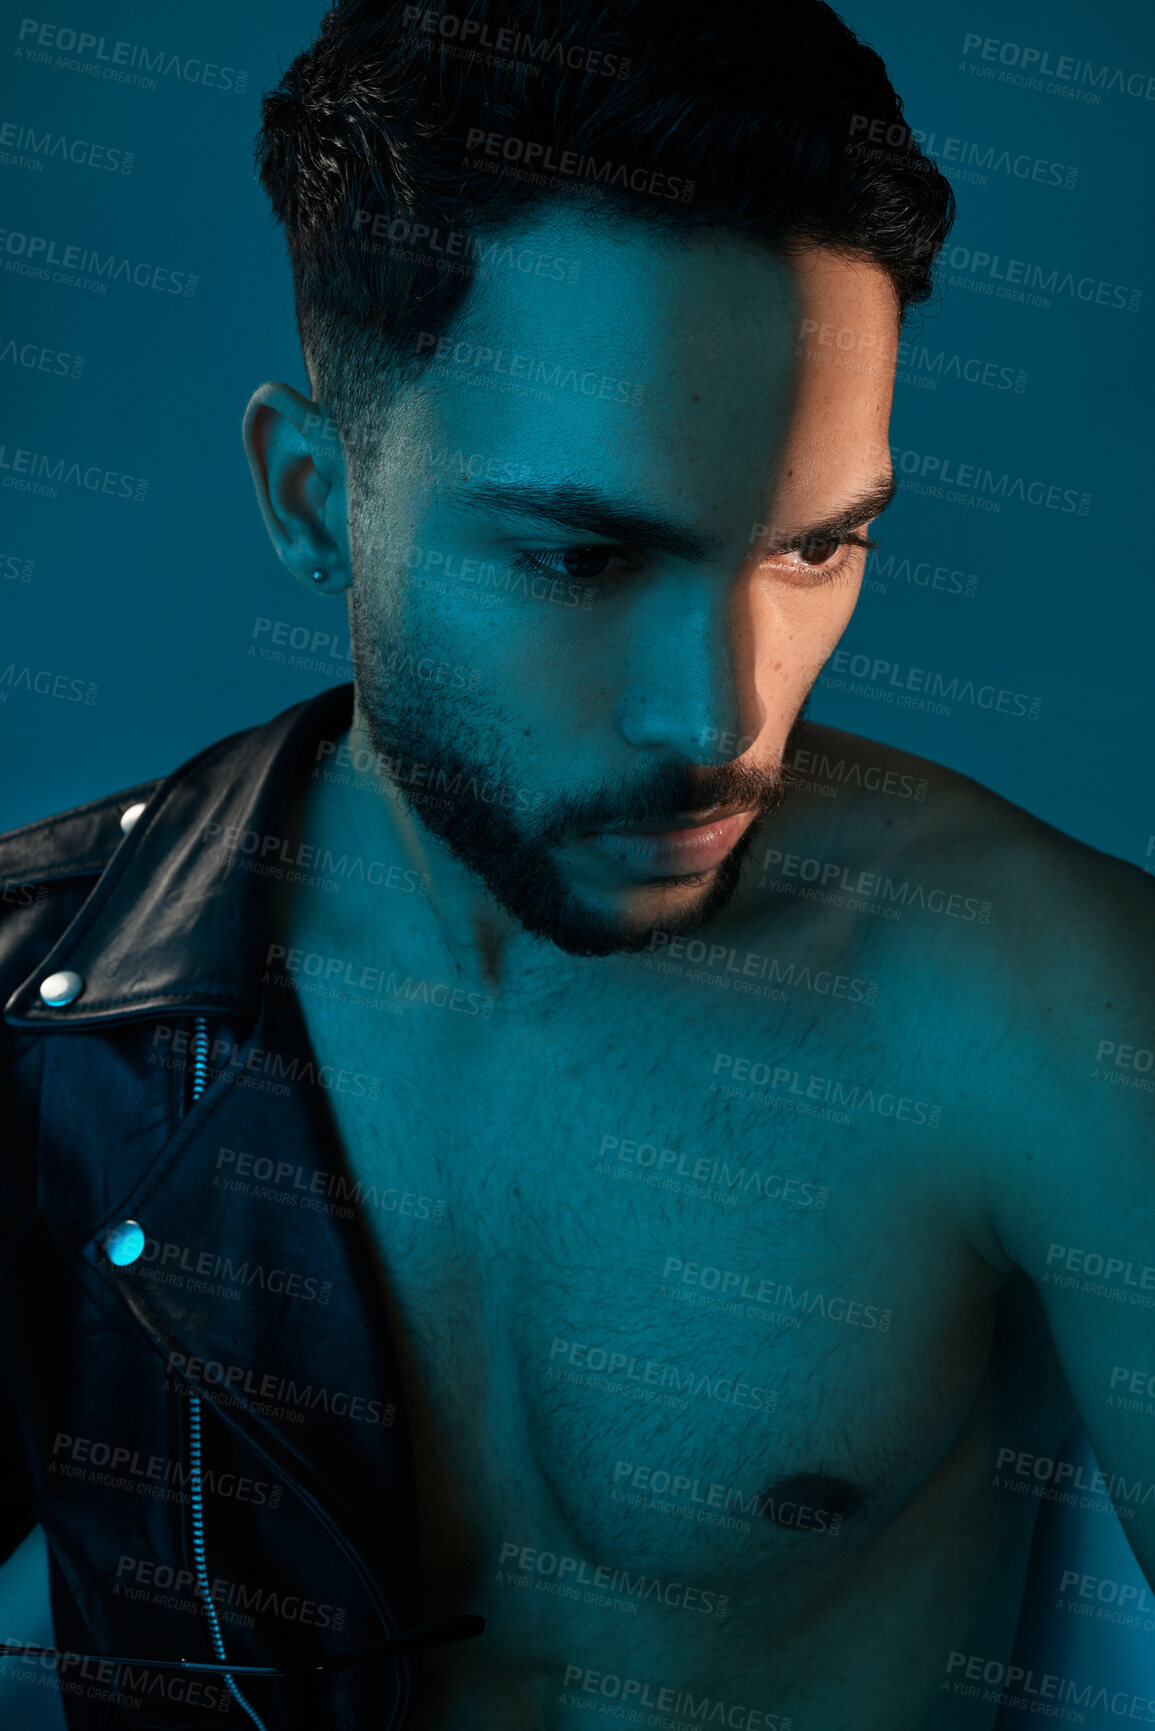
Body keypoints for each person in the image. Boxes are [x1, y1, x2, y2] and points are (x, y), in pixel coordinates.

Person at [1, 2, 1151, 1727]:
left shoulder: (1051, 1004)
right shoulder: (50, 989)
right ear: (317, 500)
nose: (721, 718)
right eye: (584, 559)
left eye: (820, 546)